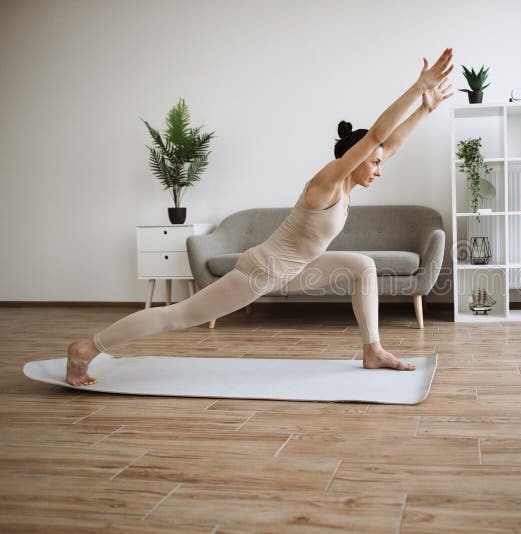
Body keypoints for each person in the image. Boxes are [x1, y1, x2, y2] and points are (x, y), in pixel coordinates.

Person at [65, 48, 454, 386]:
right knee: (178, 317)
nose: (379, 168)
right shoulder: (327, 182)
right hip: (260, 273)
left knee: (362, 266)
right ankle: (87, 347)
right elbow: (375, 139)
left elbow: (388, 144)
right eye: (373, 163)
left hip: (296, 271)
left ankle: (373, 350)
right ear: (351, 159)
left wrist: (424, 110)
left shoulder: (349, 187)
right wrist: (417, 87)